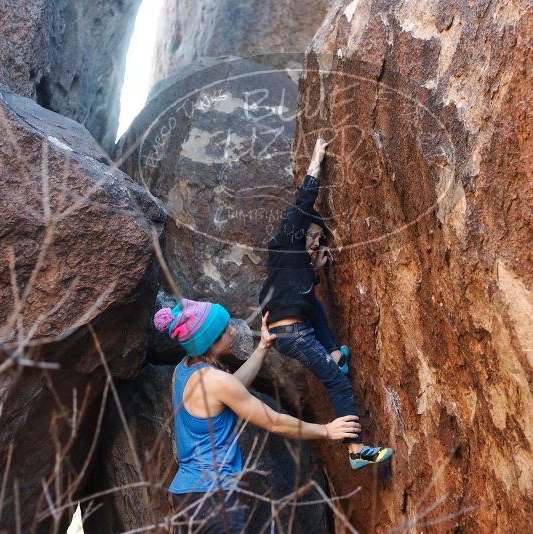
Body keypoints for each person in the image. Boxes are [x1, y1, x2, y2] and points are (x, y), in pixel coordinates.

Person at [153, 298, 361, 533]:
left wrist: (262, 348)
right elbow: (274, 422)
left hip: (186, 497)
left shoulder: (183, 371)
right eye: (224, 330)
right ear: (208, 343)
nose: (232, 330)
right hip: (214, 499)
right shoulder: (215, 380)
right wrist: (325, 430)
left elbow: (231, 390)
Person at [258, 138, 393, 470]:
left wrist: (316, 268)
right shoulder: (288, 242)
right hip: (291, 333)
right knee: (335, 380)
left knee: (316, 306)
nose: (316, 242)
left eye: (320, 239)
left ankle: (335, 354)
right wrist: (316, 158)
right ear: (299, 231)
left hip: (293, 327)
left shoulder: (298, 264)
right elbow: (303, 203)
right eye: (313, 236)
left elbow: (303, 298)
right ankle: (356, 449)